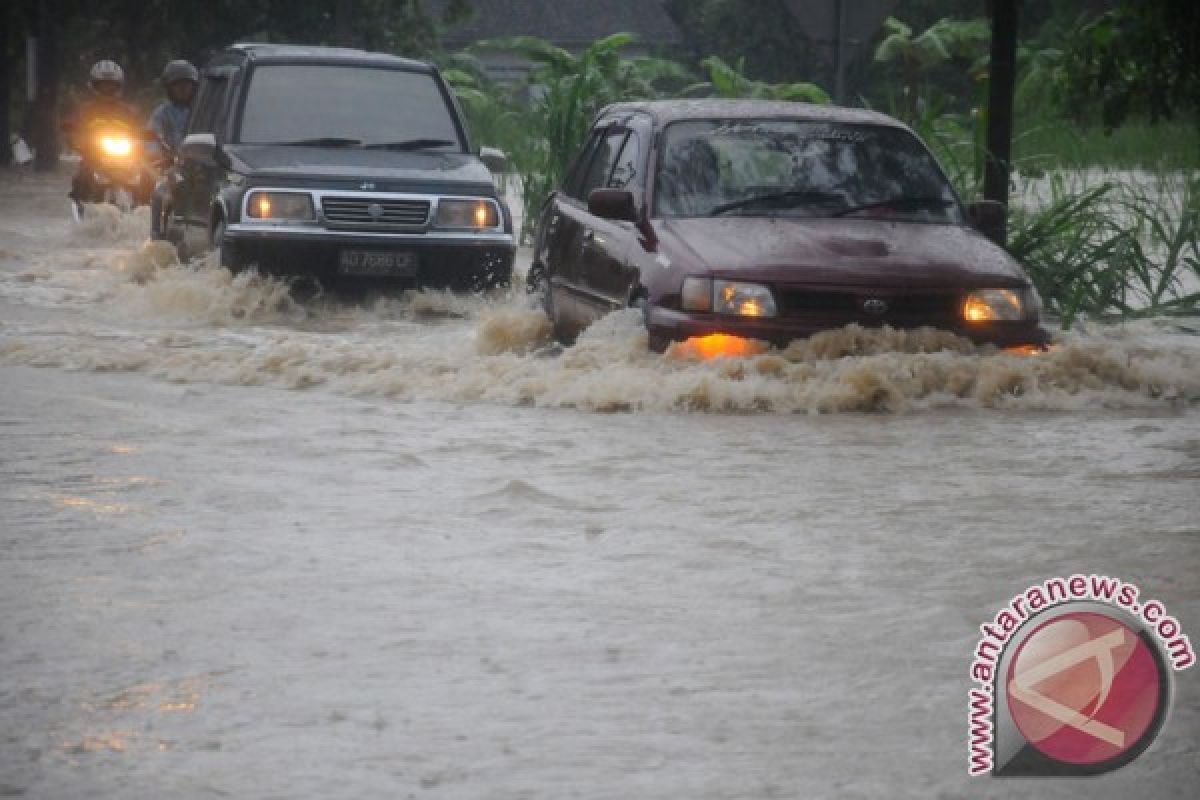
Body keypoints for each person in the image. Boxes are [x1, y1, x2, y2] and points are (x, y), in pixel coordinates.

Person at [65, 60, 143, 205]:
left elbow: (139, 132)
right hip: (94, 157)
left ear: (118, 86)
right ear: (95, 86)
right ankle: (81, 205)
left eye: (111, 85)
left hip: (125, 159)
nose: (107, 89)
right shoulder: (85, 111)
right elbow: (74, 130)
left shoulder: (128, 112)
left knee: (146, 178)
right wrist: (75, 139)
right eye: (103, 85)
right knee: (81, 177)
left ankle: (145, 211)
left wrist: (144, 140)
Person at [147, 60, 199, 238]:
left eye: (187, 85)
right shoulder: (162, 113)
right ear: (169, 88)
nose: (183, 89)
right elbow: (151, 135)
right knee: (159, 193)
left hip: (200, 167)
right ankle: (156, 236)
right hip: (172, 166)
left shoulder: (203, 111)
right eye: (178, 85)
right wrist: (156, 152)